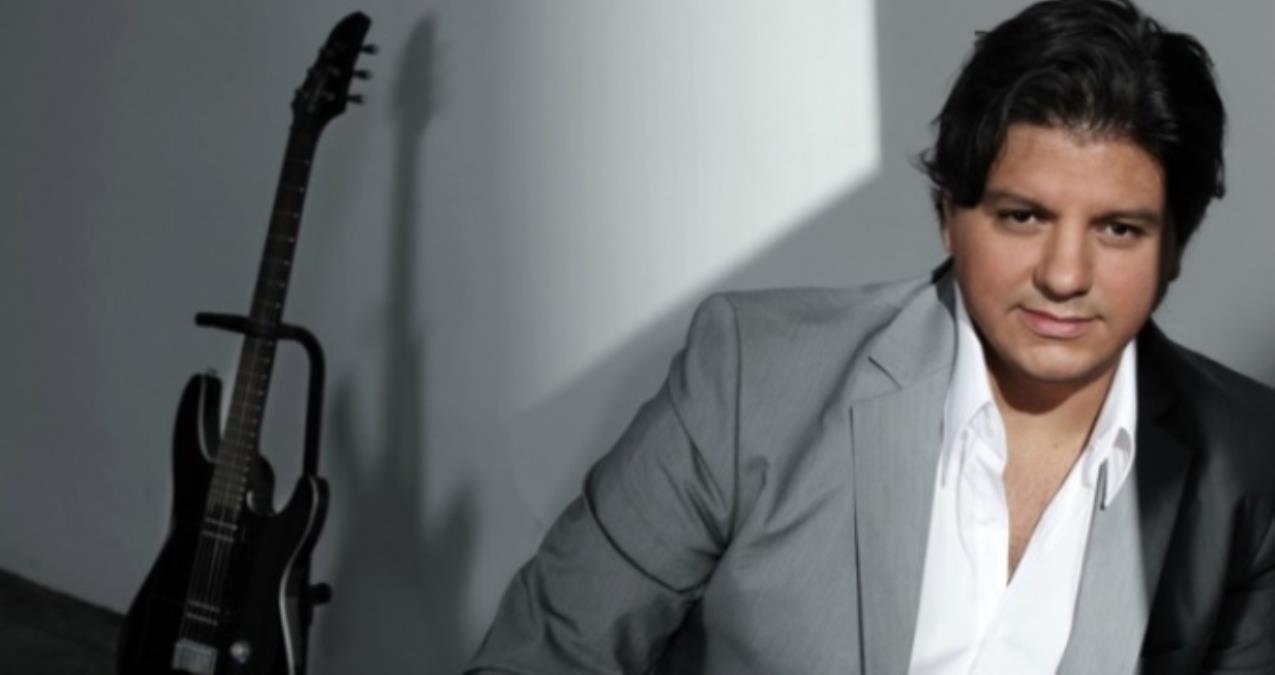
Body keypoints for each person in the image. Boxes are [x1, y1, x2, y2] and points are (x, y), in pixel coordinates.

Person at [466, 1, 1275, 673]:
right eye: (1022, 216)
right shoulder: (752, 380)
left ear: (1174, 246)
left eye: (1118, 229)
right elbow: (540, 657)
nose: (1064, 274)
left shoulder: (1247, 457)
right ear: (949, 216)